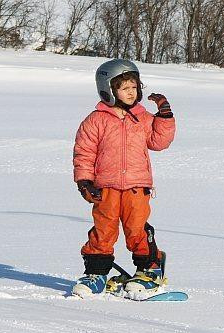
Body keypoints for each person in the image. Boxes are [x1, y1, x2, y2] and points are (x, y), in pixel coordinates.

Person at [71, 58, 176, 298]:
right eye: (124, 87)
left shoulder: (143, 118)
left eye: (134, 86)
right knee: (103, 230)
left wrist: (164, 117)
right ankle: (96, 275)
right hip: (105, 188)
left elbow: (159, 142)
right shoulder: (96, 120)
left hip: (137, 187)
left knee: (136, 228)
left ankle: (149, 270)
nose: (131, 92)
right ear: (108, 90)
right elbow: (84, 152)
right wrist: (84, 181)